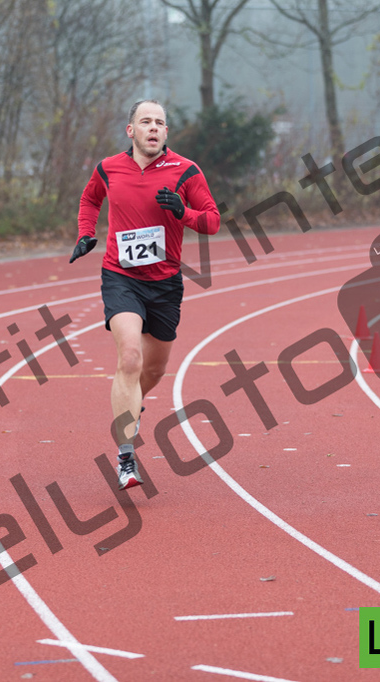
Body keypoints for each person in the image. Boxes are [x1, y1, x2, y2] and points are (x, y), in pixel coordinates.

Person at [70, 99, 221, 489]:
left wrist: (182, 213)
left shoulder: (186, 170)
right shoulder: (108, 168)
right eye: (145, 121)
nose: (153, 128)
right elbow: (90, 199)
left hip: (166, 283)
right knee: (130, 356)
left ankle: (130, 405)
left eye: (160, 123)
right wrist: (87, 232)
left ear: (166, 132)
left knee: (152, 371)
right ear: (130, 130)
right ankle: (126, 458)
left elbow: (213, 220)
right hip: (121, 276)